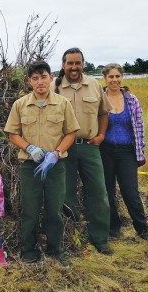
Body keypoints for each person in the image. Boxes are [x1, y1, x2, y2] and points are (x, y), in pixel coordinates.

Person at [4, 60, 80, 266]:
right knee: (30, 209)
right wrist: (29, 148)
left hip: (56, 166)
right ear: (29, 81)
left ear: (51, 78)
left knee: (54, 208)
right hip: (30, 167)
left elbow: (70, 133)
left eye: (43, 77)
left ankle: (55, 249)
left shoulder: (63, 103)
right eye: (35, 78)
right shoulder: (20, 105)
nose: (40, 82)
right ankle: (29, 250)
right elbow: (12, 134)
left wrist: (56, 153)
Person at [51, 47, 113, 255]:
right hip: (64, 150)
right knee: (64, 195)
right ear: (63, 65)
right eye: (70, 63)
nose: (74, 67)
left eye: (78, 63)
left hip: (89, 148)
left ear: (83, 64)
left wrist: (101, 136)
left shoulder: (94, 85)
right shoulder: (54, 87)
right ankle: (70, 239)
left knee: (98, 194)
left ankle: (100, 239)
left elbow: (103, 113)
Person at [100, 63, 148, 242]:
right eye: (111, 77)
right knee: (107, 191)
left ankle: (142, 229)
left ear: (121, 78)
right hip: (105, 151)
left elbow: (139, 127)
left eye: (117, 76)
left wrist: (140, 152)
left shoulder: (131, 99)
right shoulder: (99, 98)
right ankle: (114, 228)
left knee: (130, 191)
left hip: (127, 152)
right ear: (105, 78)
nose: (114, 80)